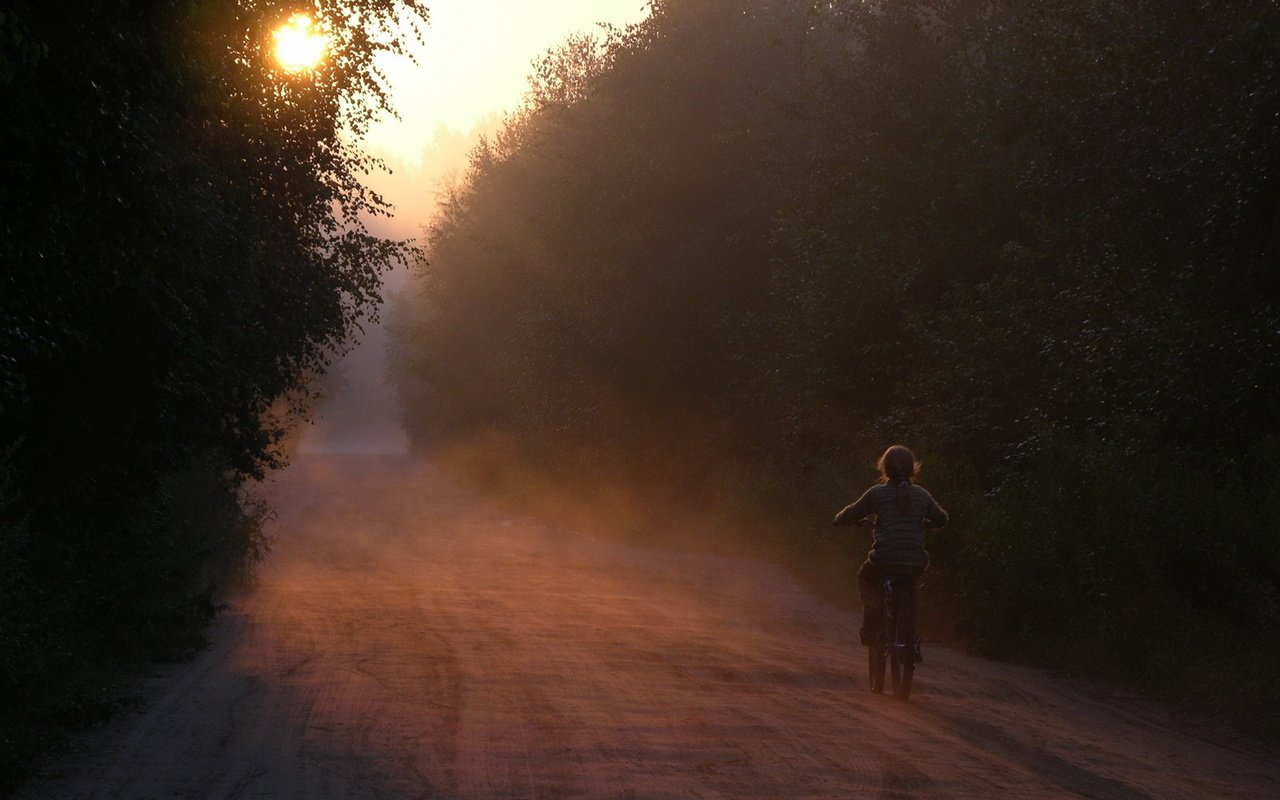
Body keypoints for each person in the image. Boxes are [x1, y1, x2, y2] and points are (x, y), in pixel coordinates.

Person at [832, 445, 948, 646]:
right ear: (913, 469)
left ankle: (873, 615)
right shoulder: (921, 495)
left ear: (885, 468)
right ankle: (910, 637)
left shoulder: (877, 494)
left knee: (866, 577)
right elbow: (942, 519)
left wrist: (839, 520)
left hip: (884, 560)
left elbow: (853, 512)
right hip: (914, 561)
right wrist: (927, 523)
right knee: (910, 587)